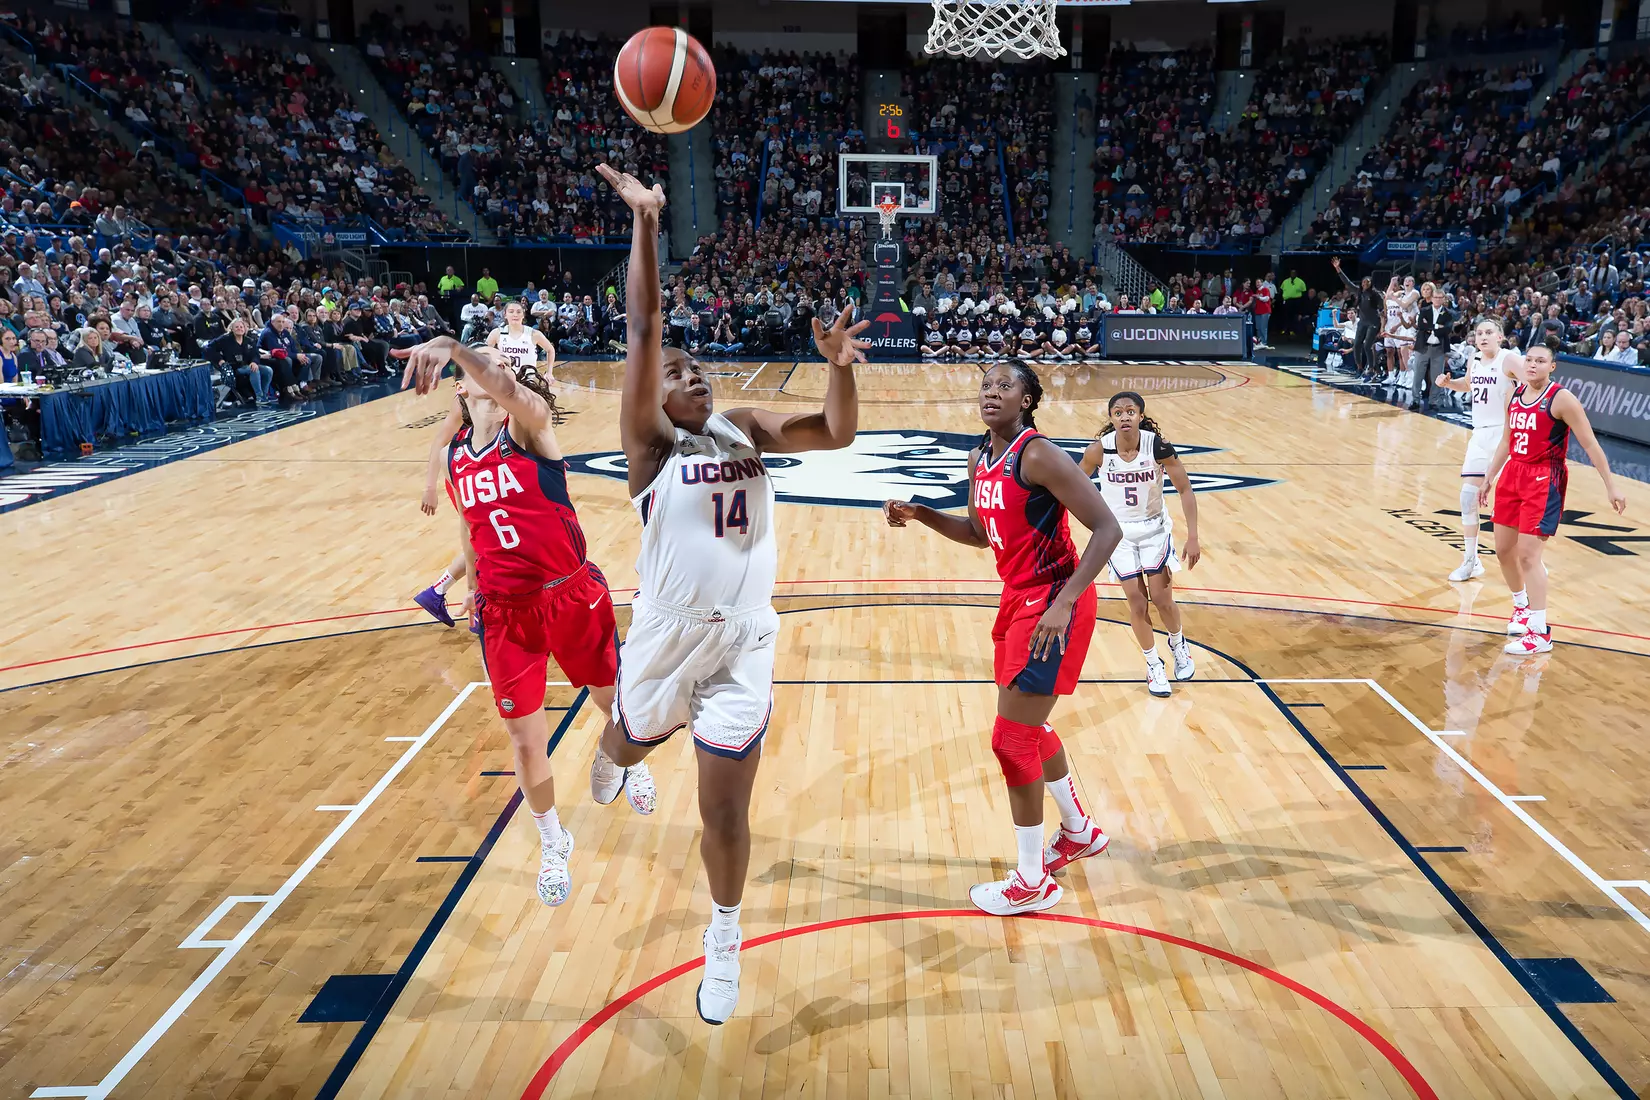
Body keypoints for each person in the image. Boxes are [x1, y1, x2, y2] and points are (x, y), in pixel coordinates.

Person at [587, 162, 867, 1026]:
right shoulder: (648, 442)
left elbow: (834, 432)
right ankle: (620, 749)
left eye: (697, 363)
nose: (691, 371)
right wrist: (644, 220)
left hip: (744, 636)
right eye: (676, 370)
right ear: (652, 392)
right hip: (666, 635)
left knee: (724, 808)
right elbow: (642, 326)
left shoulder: (739, 426)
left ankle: (724, 938)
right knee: (627, 747)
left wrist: (840, 368)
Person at [396, 335, 628, 909]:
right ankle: (553, 839)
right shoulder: (457, 456)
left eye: (504, 364)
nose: (500, 370)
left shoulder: (528, 426)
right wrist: (472, 589)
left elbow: (508, 389)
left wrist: (452, 345)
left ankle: (623, 756)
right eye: (487, 363)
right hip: (505, 612)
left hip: (567, 593)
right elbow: (471, 529)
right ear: (460, 390)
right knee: (525, 742)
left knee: (614, 702)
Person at [885, 358, 1119, 916]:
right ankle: (1079, 832)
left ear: (1027, 399)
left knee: (1010, 740)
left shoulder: (1037, 455)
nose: (991, 392)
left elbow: (1107, 528)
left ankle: (1032, 879)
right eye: (986, 384)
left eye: (1005, 385)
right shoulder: (980, 458)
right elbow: (978, 532)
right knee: (1029, 729)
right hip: (1019, 599)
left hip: (1052, 601)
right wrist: (921, 513)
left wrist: (1064, 602)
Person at [1482, 337, 1627, 654]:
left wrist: (1611, 485)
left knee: (1528, 556)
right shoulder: (1515, 394)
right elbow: (1507, 440)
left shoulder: (1562, 399)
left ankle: (1540, 631)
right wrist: (1489, 476)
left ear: (1552, 367)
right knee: (1504, 550)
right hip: (1513, 474)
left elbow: (1590, 444)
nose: (1532, 365)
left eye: (1539, 361)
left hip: (1544, 478)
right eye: (1529, 360)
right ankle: (1521, 606)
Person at [1079, 391, 1201, 696]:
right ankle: (1153, 665)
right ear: (1111, 419)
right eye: (1117, 413)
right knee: (1136, 602)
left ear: (1141, 417)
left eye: (1130, 412)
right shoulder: (1099, 451)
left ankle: (1177, 642)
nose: (1124, 417)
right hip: (1118, 535)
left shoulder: (1157, 447)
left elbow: (1184, 489)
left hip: (1154, 530)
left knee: (1161, 600)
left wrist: (1194, 536)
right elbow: (1076, 487)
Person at [1433, 320, 1520, 581]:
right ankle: (1471, 560)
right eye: (1479, 333)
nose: (1483, 337)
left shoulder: (1510, 359)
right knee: (1467, 498)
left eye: (1489, 332)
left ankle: (1528, 559)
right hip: (1480, 434)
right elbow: (1469, 384)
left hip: (1506, 435)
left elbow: (1536, 382)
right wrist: (1449, 383)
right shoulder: (1474, 357)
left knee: (1513, 502)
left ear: (1501, 337)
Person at [412, 392, 474, 631]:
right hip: (464, 472)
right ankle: (476, 610)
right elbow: (440, 441)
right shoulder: (463, 401)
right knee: (481, 539)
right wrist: (430, 487)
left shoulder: (506, 391)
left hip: (488, 470)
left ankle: (437, 591)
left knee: (493, 538)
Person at [1332, 257, 1384, 379]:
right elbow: (1348, 282)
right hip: (1363, 321)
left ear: (1371, 284)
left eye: (1367, 282)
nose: (1365, 284)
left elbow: (1382, 310)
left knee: (1367, 346)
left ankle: (1371, 369)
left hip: (1373, 322)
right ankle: (1359, 368)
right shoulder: (1359, 292)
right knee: (1357, 345)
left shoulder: (1376, 294)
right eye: (1363, 282)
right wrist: (1338, 269)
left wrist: (1382, 327)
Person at [488, 299, 558, 385]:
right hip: (505, 379)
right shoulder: (497, 333)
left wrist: (549, 372)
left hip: (529, 381)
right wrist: (494, 361)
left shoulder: (533, 333)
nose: (515, 315)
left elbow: (550, 350)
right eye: (511, 312)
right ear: (505, 314)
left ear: (523, 315)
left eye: (518, 312)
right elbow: (484, 352)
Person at [1411, 284, 1456, 410]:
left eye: (1440, 297)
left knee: (1437, 376)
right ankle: (1415, 400)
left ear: (1443, 299)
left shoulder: (1448, 313)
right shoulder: (1424, 311)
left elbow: (1447, 329)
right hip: (1423, 347)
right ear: (1432, 298)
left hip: (1439, 349)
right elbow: (1421, 326)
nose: (1437, 299)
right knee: (1418, 375)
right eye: (1435, 297)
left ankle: (1433, 402)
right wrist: (1437, 327)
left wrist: (1431, 327)